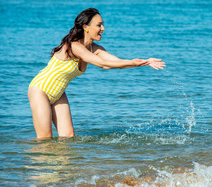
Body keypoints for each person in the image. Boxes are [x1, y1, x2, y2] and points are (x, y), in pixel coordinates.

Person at [28, 8, 165, 139]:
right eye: (99, 25)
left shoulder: (95, 49)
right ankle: (32, 162)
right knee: (45, 139)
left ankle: (65, 164)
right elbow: (102, 64)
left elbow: (117, 62)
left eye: (103, 25)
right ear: (85, 27)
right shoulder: (74, 46)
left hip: (59, 93)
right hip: (41, 90)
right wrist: (134, 63)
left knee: (68, 137)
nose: (103, 29)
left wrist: (144, 61)